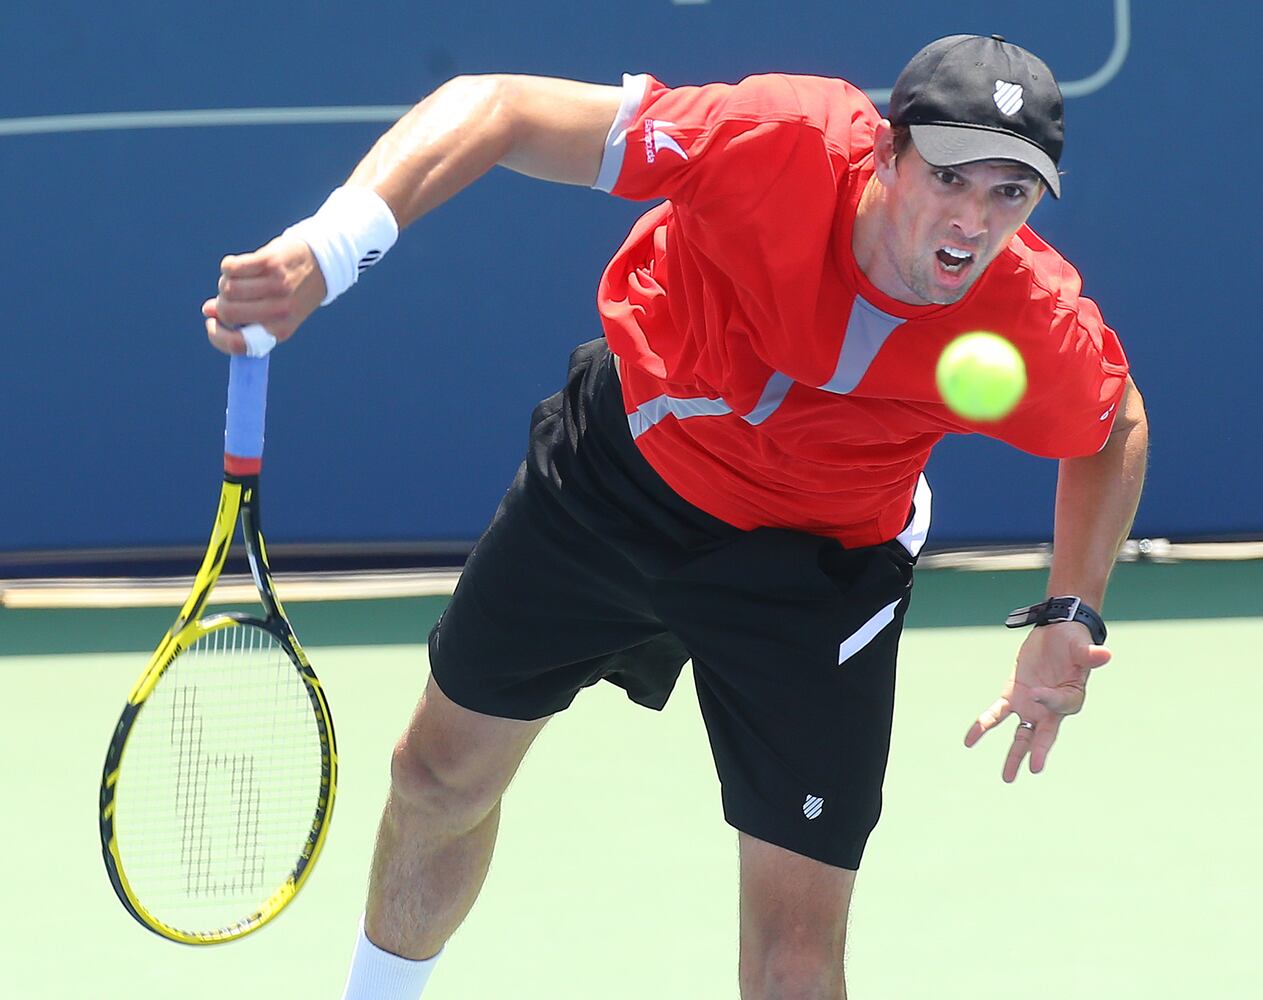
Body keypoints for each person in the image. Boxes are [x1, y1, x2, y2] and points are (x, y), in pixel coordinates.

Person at [204, 34, 1148, 1000]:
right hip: (617, 480)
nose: (972, 221)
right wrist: (328, 250)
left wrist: (1068, 612)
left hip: (817, 573)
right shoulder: (774, 142)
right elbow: (500, 107)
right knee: (434, 780)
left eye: (1009, 193)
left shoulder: (1027, 317)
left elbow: (1111, 425)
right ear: (884, 151)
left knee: (794, 959)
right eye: (949, 177)